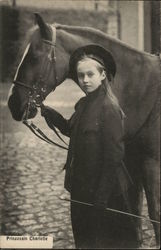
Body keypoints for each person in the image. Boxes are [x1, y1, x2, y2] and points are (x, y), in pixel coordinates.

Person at [41, 44, 138, 249]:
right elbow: (72, 129)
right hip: (82, 188)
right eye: (80, 75)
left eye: (90, 74)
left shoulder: (109, 108)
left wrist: (101, 198)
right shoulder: (83, 104)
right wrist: (49, 113)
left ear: (102, 75)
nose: (84, 80)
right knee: (84, 240)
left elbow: (114, 155)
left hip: (106, 194)